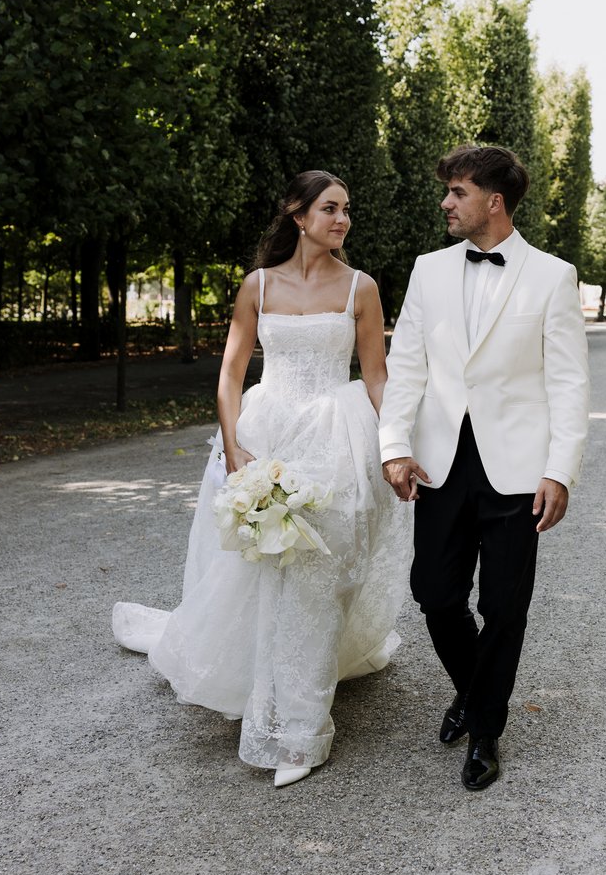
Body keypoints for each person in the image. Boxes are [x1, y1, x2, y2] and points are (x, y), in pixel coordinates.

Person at [112, 171, 411, 788]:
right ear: (298, 216)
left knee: (315, 572)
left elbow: (377, 375)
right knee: (258, 566)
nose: (343, 220)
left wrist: (394, 447)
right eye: (331, 209)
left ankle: (298, 728)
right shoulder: (258, 287)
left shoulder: (362, 287)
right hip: (267, 432)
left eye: (347, 210)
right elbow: (230, 373)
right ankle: (261, 678)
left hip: (335, 435)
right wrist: (233, 446)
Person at [379, 145, 591, 791]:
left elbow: (568, 381)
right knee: (434, 595)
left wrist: (559, 470)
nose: (446, 202)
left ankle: (485, 730)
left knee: (503, 607)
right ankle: (473, 694)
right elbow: (407, 363)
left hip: (518, 469)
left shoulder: (552, 276)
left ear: (492, 202)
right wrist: (392, 443)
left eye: (457, 191)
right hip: (440, 463)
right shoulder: (427, 270)